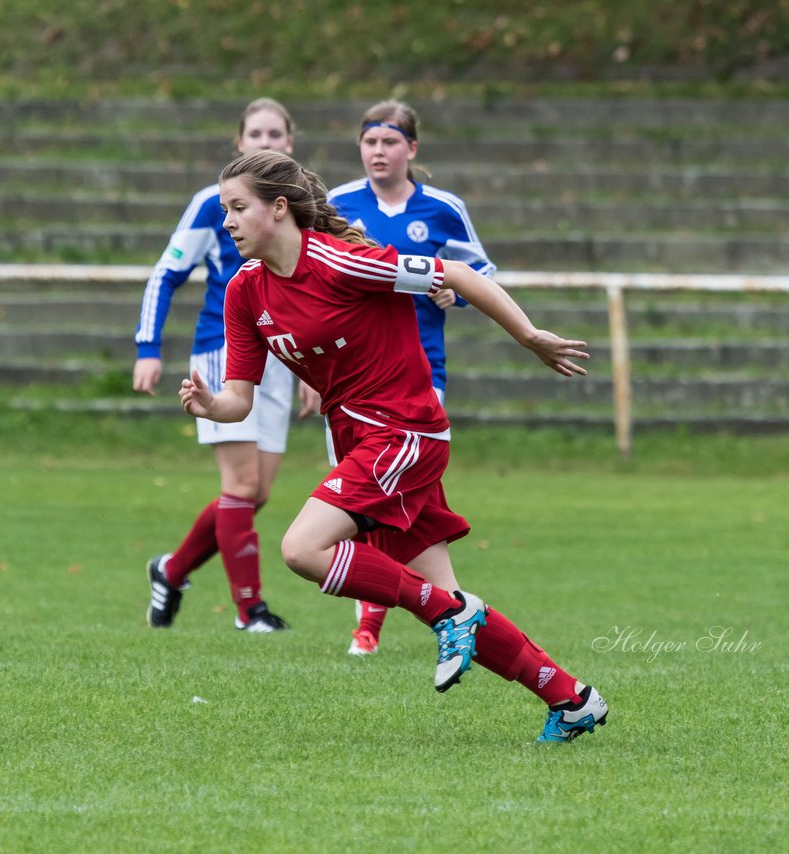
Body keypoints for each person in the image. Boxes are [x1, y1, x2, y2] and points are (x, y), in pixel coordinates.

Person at [179, 149, 609, 743]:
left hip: (405, 430)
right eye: (224, 208)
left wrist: (530, 336)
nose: (226, 221)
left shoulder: (340, 261)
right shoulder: (245, 291)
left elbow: (455, 275)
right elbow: (239, 399)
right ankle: (571, 699)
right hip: (360, 437)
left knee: (303, 548)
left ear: (278, 209)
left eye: (237, 208)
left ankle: (447, 615)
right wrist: (210, 406)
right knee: (444, 591)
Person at [134, 98, 313, 632]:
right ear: (239, 142)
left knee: (256, 493)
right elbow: (164, 274)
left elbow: (308, 289)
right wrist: (148, 348)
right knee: (239, 486)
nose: (265, 140)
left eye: (276, 133)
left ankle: (172, 570)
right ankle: (250, 612)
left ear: (290, 142)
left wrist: (311, 370)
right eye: (255, 132)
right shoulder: (212, 203)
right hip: (222, 350)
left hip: (282, 355)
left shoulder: (295, 206)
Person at [327, 99, 495, 656]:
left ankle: (402, 618)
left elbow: (481, 271)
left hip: (421, 371)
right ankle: (400, 616)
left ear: (412, 149)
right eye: (371, 142)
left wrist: (455, 294)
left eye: (390, 142)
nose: (379, 151)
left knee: (397, 498)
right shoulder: (339, 205)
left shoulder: (443, 208)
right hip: (349, 377)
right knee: (357, 501)